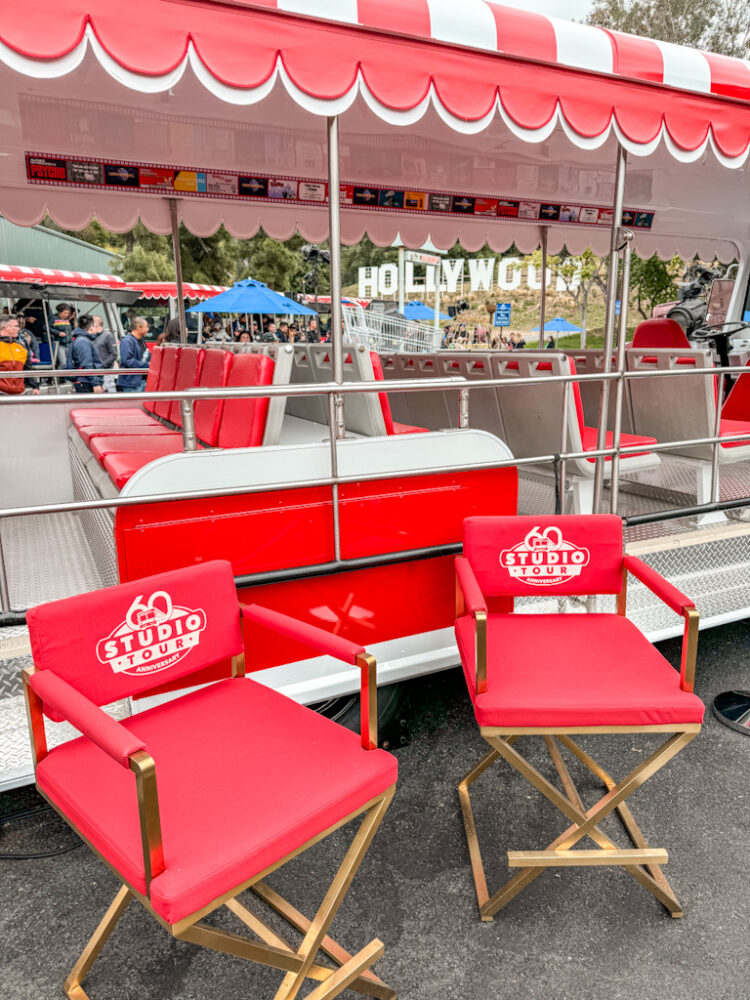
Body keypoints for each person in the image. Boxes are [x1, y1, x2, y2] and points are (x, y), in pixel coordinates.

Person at [0, 316, 39, 395]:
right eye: (16, 326)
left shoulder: (21, 347)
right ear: (6, 327)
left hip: (20, 393)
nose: (19, 329)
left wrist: (35, 386)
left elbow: (28, 369)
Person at [68, 315, 104, 394]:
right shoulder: (83, 341)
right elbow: (87, 364)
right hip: (86, 382)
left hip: (85, 381)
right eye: (95, 326)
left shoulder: (81, 339)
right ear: (91, 328)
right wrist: (96, 383)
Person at [118, 316, 149, 392]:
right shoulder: (127, 341)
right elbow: (127, 360)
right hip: (130, 383)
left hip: (142, 381)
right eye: (146, 327)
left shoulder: (141, 341)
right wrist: (146, 365)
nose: (148, 329)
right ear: (139, 327)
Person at [93, 315, 117, 391]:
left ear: (96, 324)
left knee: (109, 394)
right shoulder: (92, 336)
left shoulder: (108, 336)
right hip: (95, 372)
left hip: (106, 373)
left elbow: (114, 354)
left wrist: (102, 365)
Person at [51, 303, 73, 367]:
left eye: (68, 313)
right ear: (60, 312)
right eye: (65, 313)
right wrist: (58, 333)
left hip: (68, 344)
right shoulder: (54, 319)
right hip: (60, 345)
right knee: (63, 363)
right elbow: (46, 328)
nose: (67, 315)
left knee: (69, 363)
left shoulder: (66, 319)